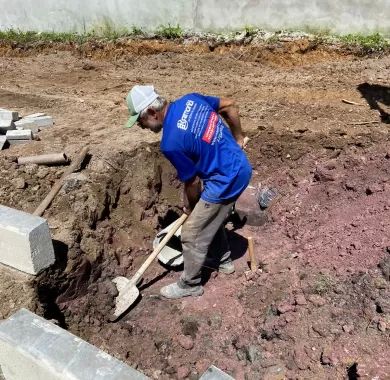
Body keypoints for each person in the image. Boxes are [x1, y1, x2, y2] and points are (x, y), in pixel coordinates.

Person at [125, 85, 252, 299]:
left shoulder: (170, 143)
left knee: (191, 232)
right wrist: (239, 137)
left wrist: (192, 207)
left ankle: (190, 284)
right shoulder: (190, 100)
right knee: (210, 216)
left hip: (225, 180)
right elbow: (230, 105)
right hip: (240, 167)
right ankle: (223, 261)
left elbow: (192, 182)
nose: (141, 126)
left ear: (152, 113)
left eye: (140, 121)